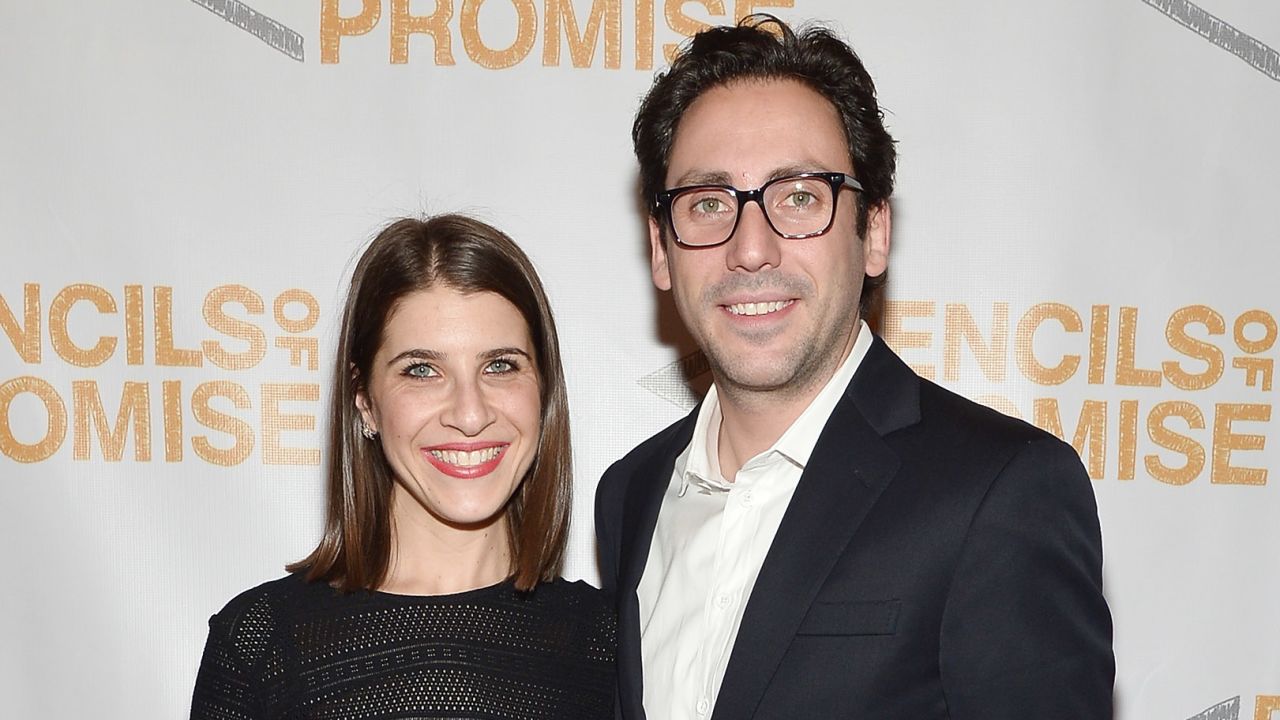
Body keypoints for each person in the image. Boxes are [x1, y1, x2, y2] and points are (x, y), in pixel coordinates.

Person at [595, 15, 1114, 720]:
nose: (751, 249)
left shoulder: (1000, 493)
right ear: (662, 248)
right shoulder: (631, 493)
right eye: (708, 203)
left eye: (799, 197)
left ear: (873, 232)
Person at [191, 215, 615, 719]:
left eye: (500, 365)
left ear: (543, 390)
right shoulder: (263, 645)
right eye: (422, 370)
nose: (470, 413)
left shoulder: (610, 645)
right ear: (364, 400)